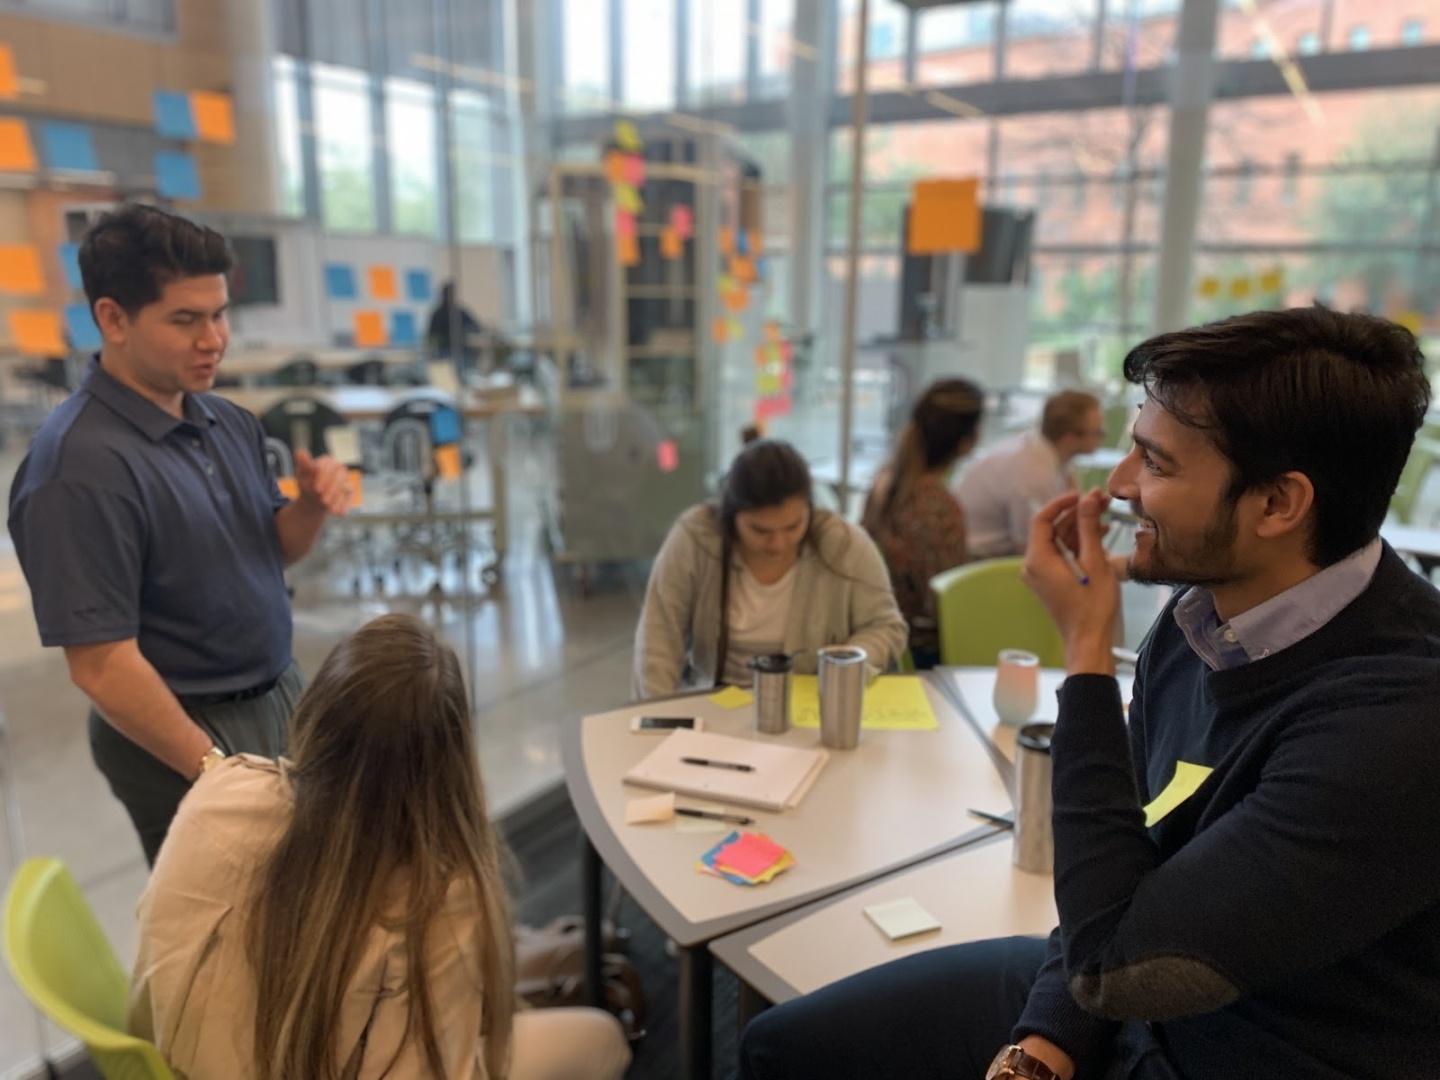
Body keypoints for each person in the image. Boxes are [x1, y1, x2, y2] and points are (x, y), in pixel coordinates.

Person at [738, 306, 1440, 1079]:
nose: (1119, 485)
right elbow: (1119, 886)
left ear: (1277, 504)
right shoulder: (1200, 619)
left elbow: (1119, 958)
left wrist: (1085, 654)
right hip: (1125, 999)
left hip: (1239, 1047)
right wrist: (1041, 1050)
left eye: (1158, 464)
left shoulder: (1400, 723)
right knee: (778, 1048)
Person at [130, 613, 632, 1080]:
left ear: (318, 709)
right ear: (448, 765)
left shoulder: (222, 790)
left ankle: (551, 955)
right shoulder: (442, 896)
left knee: (502, 960)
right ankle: (557, 961)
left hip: (190, 1067)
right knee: (603, 1039)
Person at [6, 203, 352, 866]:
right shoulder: (76, 470)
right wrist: (214, 769)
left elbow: (269, 551)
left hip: (276, 689)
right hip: (184, 726)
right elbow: (101, 664)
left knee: (314, 894)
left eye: (219, 314)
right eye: (186, 320)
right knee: (236, 929)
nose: (214, 340)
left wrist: (307, 508)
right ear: (113, 319)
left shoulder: (226, 421)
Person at [634, 438, 907, 698]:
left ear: (809, 510)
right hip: (715, 701)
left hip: (812, 701)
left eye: (793, 526)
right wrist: (656, 715)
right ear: (731, 516)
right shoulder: (696, 538)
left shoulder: (843, 544)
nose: (778, 544)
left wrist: (843, 665)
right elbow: (659, 638)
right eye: (760, 530)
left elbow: (886, 627)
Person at [861, 379, 985, 668]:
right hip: (922, 654)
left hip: (884, 638)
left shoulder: (885, 482)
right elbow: (946, 603)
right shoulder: (938, 506)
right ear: (969, 442)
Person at [955, 389, 1105, 559]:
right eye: (1099, 432)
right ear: (1071, 438)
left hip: (988, 548)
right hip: (977, 561)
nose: (1103, 437)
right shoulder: (1034, 473)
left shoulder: (1038, 449)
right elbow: (1032, 547)